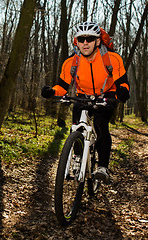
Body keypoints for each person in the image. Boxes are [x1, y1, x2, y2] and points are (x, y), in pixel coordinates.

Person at [41, 22, 130, 183]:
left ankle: (102, 167)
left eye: (90, 39)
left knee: (101, 124)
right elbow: (62, 86)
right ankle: (77, 156)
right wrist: (52, 92)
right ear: (76, 42)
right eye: (81, 39)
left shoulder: (112, 59)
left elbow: (122, 82)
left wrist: (123, 91)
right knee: (76, 125)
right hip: (83, 95)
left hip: (107, 94)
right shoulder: (71, 63)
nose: (85, 43)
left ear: (97, 41)